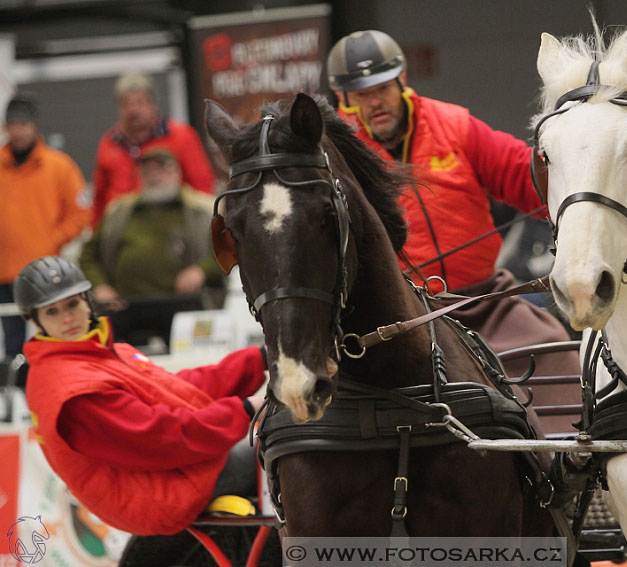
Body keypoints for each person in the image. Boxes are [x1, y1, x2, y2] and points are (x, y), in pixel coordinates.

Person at [326, 30, 578, 388]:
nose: (375, 103)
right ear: (344, 99)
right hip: (402, 317)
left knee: (556, 351)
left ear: (402, 80)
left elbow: (526, 178)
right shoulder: (337, 156)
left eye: (382, 89)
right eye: (362, 95)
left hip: (485, 300)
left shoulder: (455, 125)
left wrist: (582, 191)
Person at [15, 255, 267, 535]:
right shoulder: (72, 389)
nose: (67, 318)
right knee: (292, 443)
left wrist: (258, 359)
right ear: (34, 320)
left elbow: (179, 390)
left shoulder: (100, 352)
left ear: (87, 300)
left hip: (172, 469)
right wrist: (245, 410)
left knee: (292, 437)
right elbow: (161, 436)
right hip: (161, 494)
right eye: (52, 311)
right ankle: (314, 556)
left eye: (73, 304)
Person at [79, 146, 223, 347]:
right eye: (147, 171)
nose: (155, 176)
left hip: (182, 303)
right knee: (100, 340)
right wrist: (99, 286)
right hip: (124, 305)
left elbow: (231, 250)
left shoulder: (203, 210)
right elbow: (88, 255)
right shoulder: (119, 211)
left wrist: (201, 270)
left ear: (177, 173)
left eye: (162, 169)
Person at [0, 94, 90, 358]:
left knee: (56, 337)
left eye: (23, 124)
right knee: (13, 347)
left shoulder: (58, 166)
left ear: (35, 125)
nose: (18, 131)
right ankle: (15, 398)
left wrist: (53, 238)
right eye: (12, 125)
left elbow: (80, 212)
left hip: (46, 273)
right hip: (5, 274)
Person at [91, 70, 215, 228]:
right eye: (126, 104)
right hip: (122, 232)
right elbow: (99, 198)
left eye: (140, 103)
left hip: (172, 230)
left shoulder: (181, 137)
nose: (132, 110)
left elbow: (202, 188)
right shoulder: (108, 143)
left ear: (153, 104)